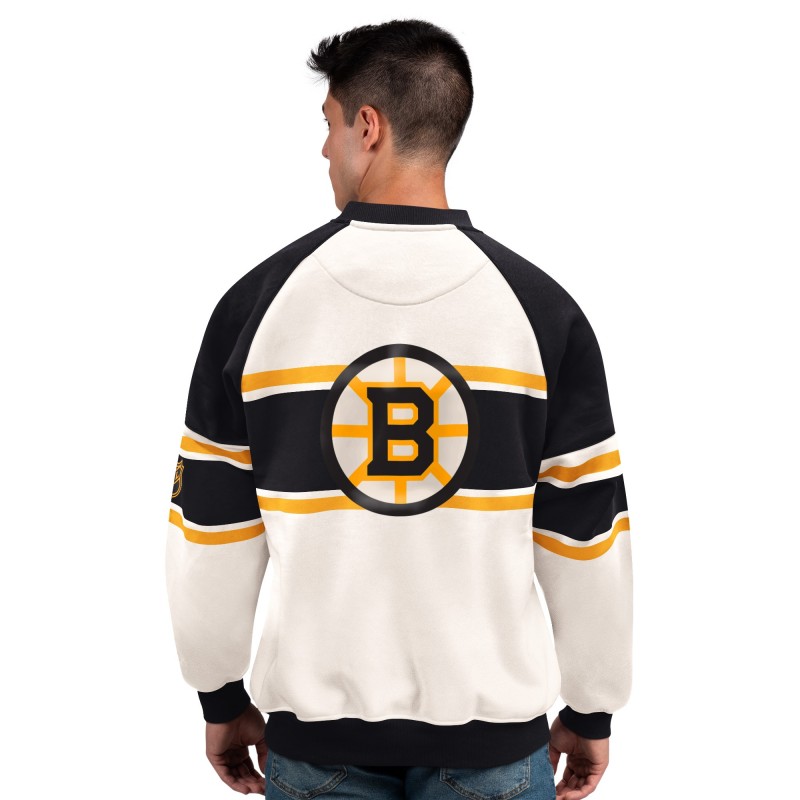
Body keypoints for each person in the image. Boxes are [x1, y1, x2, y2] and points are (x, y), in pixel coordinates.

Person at [165, 18, 633, 800]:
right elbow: (587, 538)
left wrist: (219, 696)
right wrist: (592, 707)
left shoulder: (258, 306)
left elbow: (210, 534)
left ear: (368, 127)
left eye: (328, 125)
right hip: (494, 748)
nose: (324, 150)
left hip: (315, 747)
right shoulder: (542, 313)